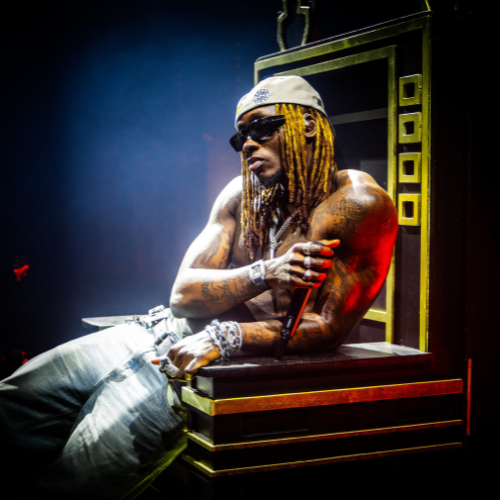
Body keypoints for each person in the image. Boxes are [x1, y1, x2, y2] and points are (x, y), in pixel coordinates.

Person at [0, 76, 398, 499]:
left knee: (71, 488)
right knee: (9, 405)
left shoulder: (357, 204)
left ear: (310, 126)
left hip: (191, 372)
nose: (248, 145)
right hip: (152, 331)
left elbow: (330, 327)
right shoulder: (242, 194)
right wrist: (265, 271)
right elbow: (183, 295)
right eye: (241, 136)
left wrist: (227, 336)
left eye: (262, 128)